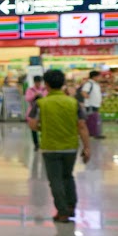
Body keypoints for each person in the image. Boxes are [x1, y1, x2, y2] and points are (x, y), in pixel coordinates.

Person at [29, 69, 91, 222]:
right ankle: (71, 207)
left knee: (55, 180)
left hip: (50, 147)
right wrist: (87, 147)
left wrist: (45, 128)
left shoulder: (40, 103)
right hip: (70, 146)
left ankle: (62, 212)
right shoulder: (73, 103)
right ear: (63, 83)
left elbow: (33, 124)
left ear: (46, 84)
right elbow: (82, 126)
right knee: (68, 176)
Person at [79, 70, 104, 140]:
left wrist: (99, 100)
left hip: (95, 105)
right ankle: (92, 133)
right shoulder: (89, 84)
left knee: (95, 119)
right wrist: (88, 99)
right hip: (90, 105)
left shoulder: (95, 84)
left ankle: (95, 133)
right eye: (99, 76)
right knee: (91, 120)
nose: (100, 78)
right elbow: (83, 92)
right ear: (94, 77)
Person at [23, 76, 47, 149]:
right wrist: (34, 95)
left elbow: (47, 98)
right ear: (34, 82)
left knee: (44, 127)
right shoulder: (30, 90)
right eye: (37, 82)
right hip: (33, 110)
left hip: (43, 110)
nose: (38, 84)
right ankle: (36, 143)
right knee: (33, 127)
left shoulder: (44, 89)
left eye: (39, 82)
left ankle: (43, 142)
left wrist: (42, 95)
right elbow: (27, 99)